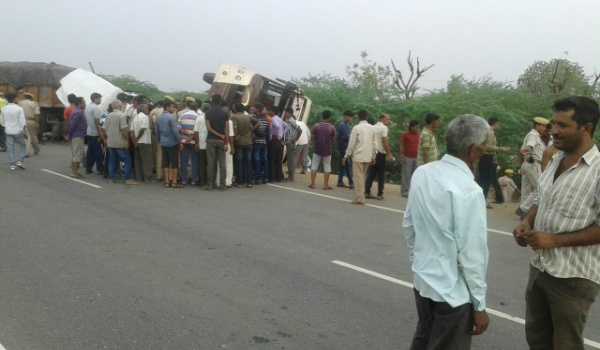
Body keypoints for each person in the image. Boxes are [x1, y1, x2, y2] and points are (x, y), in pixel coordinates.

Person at [512, 96, 600, 349]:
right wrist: (527, 221)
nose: (554, 131)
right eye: (552, 124)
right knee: (537, 338)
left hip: (573, 276)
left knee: (566, 344)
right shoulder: (554, 159)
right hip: (540, 268)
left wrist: (554, 240)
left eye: (562, 125)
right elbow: (542, 197)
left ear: (586, 128)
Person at [403, 114, 490, 349]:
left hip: (423, 281)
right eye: (484, 147)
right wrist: (479, 305)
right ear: (474, 150)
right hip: (453, 294)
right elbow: (472, 255)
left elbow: (409, 224)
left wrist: (418, 262)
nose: (484, 151)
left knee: (424, 338)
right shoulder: (469, 191)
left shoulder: (423, 172)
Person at [516, 117, 549, 218]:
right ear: (537, 126)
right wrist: (528, 148)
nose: (544, 129)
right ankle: (524, 209)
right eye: (543, 126)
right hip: (533, 164)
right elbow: (529, 146)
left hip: (527, 164)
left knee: (526, 190)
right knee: (541, 187)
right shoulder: (533, 135)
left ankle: (523, 213)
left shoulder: (534, 136)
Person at [342, 110, 375, 205]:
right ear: (367, 117)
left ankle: (360, 198)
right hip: (368, 156)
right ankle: (361, 196)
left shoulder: (356, 128)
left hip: (358, 156)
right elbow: (375, 144)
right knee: (362, 177)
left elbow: (351, 144)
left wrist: (346, 156)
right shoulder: (372, 128)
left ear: (358, 117)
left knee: (358, 177)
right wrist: (374, 156)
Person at [102, 100, 138, 185]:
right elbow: (124, 130)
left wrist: (106, 139)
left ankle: (111, 178)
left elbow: (104, 129)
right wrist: (126, 140)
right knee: (127, 160)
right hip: (120, 142)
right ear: (120, 106)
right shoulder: (121, 116)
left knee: (112, 160)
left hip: (110, 141)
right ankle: (128, 179)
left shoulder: (108, 116)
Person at [477, 117, 510, 208]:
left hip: (483, 157)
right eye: (497, 124)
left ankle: (479, 199)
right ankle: (483, 200)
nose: (498, 126)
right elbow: (487, 147)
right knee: (486, 180)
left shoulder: (484, 132)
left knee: (482, 179)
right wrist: (501, 149)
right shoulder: (490, 132)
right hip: (487, 157)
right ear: (495, 124)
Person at [365, 114, 393, 200]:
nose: (388, 121)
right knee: (380, 174)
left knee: (372, 173)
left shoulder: (372, 127)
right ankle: (379, 194)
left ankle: (367, 192)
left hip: (373, 153)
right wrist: (389, 153)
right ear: (382, 119)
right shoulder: (384, 128)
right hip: (381, 153)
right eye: (387, 119)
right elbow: (384, 142)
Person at [204, 94, 229, 190]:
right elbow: (226, 129)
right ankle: (222, 185)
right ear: (221, 101)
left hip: (211, 140)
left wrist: (218, 135)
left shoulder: (208, 113)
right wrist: (226, 142)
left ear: (212, 101)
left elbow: (208, 128)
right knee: (222, 163)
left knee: (211, 163)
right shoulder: (225, 113)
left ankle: (210, 184)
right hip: (221, 141)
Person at [156, 100, 183, 188]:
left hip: (163, 142)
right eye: (173, 107)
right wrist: (180, 141)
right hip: (172, 142)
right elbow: (175, 131)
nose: (174, 109)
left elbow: (157, 132)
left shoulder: (159, 118)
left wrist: (159, 140)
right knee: (174, 163)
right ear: (167, 107)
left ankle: (167, 181)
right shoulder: (171, 118)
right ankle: (174, 181)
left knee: (165, 162)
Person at [231, 103, 258, 187]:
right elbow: (258, 122)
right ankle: (249, 182)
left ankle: (240, 182)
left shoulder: (234, 116)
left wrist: (235, 136)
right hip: (248, 141)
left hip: (239, 141)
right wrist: (251, 130)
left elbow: (235, 127)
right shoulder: (247, 117)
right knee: (248, 162)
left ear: (235, 108)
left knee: (240, 161)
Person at [309, 110, 336, 190]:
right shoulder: (332, 127)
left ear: (322, 116)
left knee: (314, 165)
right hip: (327, 150)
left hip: (317, 149)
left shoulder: (316, 126)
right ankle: (325, 185)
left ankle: (313, 184)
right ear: (329, 117)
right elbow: (334, 139)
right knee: (327, 167)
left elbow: (312, 137)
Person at [1, 92, 28, 170]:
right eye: (16, 98)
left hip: (8, 130)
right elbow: (22, 122)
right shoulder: (19, 109)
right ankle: (20, 161)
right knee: (22, 145)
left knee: (10, 147)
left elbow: (2, 122)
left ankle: (12, 164)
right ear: (13, 99)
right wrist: (24, 132)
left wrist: (6, 126)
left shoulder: (3, 109)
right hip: (18, 130)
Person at [177, 102, 200, 186]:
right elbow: (198, 130)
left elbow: (178, 128)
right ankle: (193, 180)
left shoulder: (182, 116)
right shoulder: (198, 117)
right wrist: (191, 137)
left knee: (184, 160)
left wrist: (187, 134)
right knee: (195, 161)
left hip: (184, 141)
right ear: (196, 109)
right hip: (194, 141)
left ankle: (183, 179)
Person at [131, 104, 154, 182]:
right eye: (147, 109)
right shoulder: (145, 117)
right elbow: (143, 128)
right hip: (144, 141)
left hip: (137, 143)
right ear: (144, 110)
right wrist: (137, 139)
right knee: (147, 160)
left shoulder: (135, 118)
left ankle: (139, 177)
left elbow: (131, 131)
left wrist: (134, 141)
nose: (148, 110)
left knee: (138, 160)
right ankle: (147, 177)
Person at [84, 92, 104, 174]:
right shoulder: (96, 108)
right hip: (95, 132)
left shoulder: (87, 107)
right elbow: (97, 122)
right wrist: (100, 133)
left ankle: (88, 167)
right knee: (98, 152)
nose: (100, 100)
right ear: (95, 99)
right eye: (99, 98)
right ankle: (100, 168)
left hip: (89, 131)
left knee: (90, 151)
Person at [268, 106, 289, 182]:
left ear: (273, 112)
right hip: (279, 142)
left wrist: (271, 133)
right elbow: (287, 127)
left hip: (274, 140)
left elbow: (276, 126)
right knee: (278, 160)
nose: (268, 112)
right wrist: (282, 134)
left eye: (269, 111)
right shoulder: (280, 119)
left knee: (272, 160)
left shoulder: (273, 119)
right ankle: (278, 177)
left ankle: (272, 177)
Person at [67, 97, 87, 178]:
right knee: (77, 155)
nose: (85, 104)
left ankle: (75, 171)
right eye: (84, 103)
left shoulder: (74, 111)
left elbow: (70, 124)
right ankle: (74, 172)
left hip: (77, 135)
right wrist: (70, 134)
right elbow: (73, 125)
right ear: (79, 104)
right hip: (77, 135)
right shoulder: (78, 113)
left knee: (77, 153)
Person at [399, 120, 420, 198]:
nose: (418, 128)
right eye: (416, 127)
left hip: (417, 157)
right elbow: (402, 145)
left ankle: (413, 191)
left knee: (415, 175)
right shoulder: (405, 135)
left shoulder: (419, 135)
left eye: (418, 127)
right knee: (406, 175)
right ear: (411, 127)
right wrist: (401, 155)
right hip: (407, 157)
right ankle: (404, 192)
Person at [282, 107, 302, 182]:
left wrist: (295, 139)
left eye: (286, 113)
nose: (285, 114)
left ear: (290, 114)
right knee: (289, 160)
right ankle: (290, 176)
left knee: (290, 160)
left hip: (291, 142)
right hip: (287, 141)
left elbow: (299, 130)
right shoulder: (288, 121)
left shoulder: (291, 121)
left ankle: (291, 177)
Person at [252, 103, 269, 185]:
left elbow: (254, 130)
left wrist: (259, 135)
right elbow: (267, 131)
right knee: (264, 159)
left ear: (257, 109)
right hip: (264, 142)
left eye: (254, 108)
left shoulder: (255, 119)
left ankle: (258, 177)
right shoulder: (266, 119)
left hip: (257, 142)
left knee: (257, 159)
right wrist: (265, 138)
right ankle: (265, 177)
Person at [194, 103, 210, 187]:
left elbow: (196, 132)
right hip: (210, 144)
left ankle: (202, 181)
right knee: (210, 163)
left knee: (202, 163)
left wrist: (196, 143)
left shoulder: (199, 118)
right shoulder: (212, 117)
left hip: (201, 143)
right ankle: (210, 181)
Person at [337, 110, 354, 188]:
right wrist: (348, 137)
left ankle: (340, 181)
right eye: (350, 117)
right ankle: (351, 182)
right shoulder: (342, 125)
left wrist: (347, 137)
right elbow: (348, 137)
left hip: (344, 146)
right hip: (343, 147)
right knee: (347, 164)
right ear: (346, 116)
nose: (351, 119)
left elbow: (346, 136)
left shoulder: (345, 125)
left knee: (342, 164)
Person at [149, 100, 164, 181]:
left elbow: (150, 124)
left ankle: (158, 173)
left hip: (155, 134)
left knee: (156, 154)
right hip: (167, 136)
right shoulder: (168, 112)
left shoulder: (152, 112)